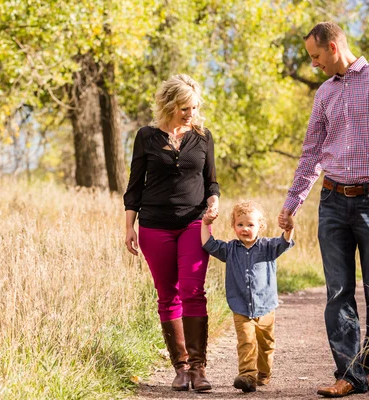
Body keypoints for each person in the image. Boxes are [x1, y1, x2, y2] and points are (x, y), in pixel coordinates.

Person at [277, 22, 369, 397]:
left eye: (316, 56)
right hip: (333, 202)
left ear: (334, 47)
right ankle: (348, 375)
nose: (314, 64)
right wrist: (292, 203)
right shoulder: (323, 94)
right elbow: (310, 154)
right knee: (337, 290)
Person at [123, 74, 219, 392]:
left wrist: (214, 201)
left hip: (194, 222)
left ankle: (199, 368)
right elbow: (135, 185)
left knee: (193, 290)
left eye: (194, 107)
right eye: (184, 108)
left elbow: (211, 182)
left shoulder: (203, 137)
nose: (191, 113)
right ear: (169, 105)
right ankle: (181, 368)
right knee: (168, 295)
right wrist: (129, 227)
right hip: (154, 225)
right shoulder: (146, 136)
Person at [201, 200, 294, 393]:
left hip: (266, 306)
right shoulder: (230, 249)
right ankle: (247, 376)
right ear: (233, 226)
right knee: (246, 341)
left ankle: (264, 373)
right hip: (241, 306)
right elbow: (208, 243)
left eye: (250, 225)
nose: (245, 229)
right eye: (240, 224)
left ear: (260, 226)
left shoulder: (268, 247)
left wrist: (289, 228)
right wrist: (205, 223)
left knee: (266, 345)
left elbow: (285, 241)